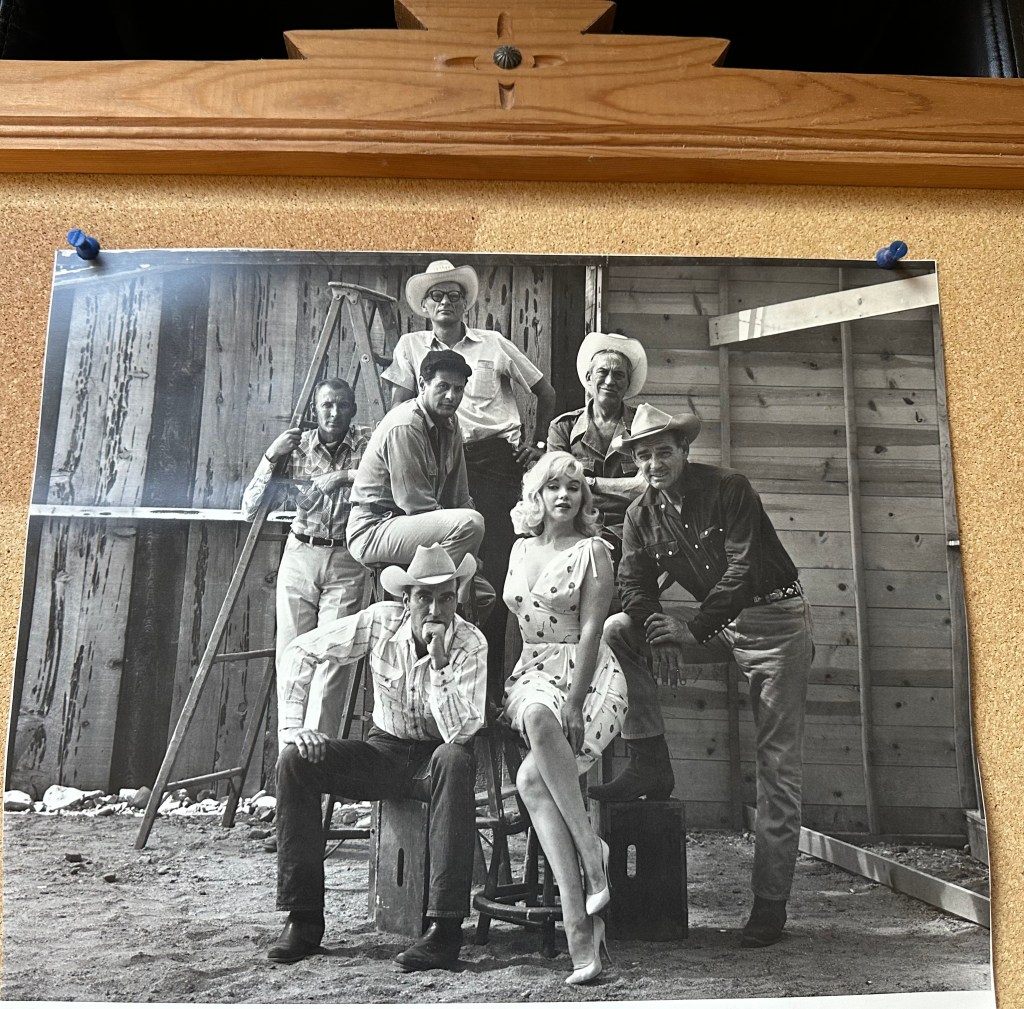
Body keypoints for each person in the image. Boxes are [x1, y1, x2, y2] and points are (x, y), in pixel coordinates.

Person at [590, 404, 814, 949]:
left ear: (685, 451)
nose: (654, 464)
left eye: (663, 452)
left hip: (774, 622)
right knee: (620, 629)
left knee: (776, 766)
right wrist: (658, 631)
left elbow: (742, 569)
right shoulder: (640, 514)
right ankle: (650, 760)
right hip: (716, 625)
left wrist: (689, 630)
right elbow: (635, 583)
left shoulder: (730, 488)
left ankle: (769, 905)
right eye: (644, 456)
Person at [268, 543, 488, 970]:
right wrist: (294, 728)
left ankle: (444, 932)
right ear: (406, 600)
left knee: (455, 759)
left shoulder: (470, 642)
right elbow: (300, 651)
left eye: (446, 597)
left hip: (436, 761)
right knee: (295, 761)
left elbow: (460, 733)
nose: (436, 610)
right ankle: (304, 920)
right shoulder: (380, 622)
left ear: (456, 599)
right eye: (424, 597)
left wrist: (440, 664)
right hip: (384, 751)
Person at [383, 259, 557, 688]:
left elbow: (545, 391)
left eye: (454, 295)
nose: (446, 302)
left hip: (493, 466)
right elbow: (397, 411)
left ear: (466, 304)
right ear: (425, 306)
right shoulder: (410, 346)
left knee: (490, 577)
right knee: (430, 572)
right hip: (433, 464)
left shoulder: (492, 344)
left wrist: (537, 446)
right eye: (437, 295)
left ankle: (487, 690)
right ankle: (426, 684)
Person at [502, 451, 627, 984]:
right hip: (532, 673)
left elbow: (593, 630)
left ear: (583, 498)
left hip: (589, 676)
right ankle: (591, 855)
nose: (564, 496)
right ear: (536, 495)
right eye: (553, 486)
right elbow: (514, 627)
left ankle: (580, 928)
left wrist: (575, 702)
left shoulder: (594, 551)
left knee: (532, 780)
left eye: (573, 488)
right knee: (534, 712)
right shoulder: (519, 548)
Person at [240, 377, 370, 736]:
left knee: (333, 657)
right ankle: (291, 751)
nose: (334, 412)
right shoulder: (296, 448)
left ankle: (318, 754)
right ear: (316, 409)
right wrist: (271, 454)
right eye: (327, 404)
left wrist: (343, 476)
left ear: (353, 410)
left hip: (346, 557)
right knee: (292, 656)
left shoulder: (368, 442)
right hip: (300, 553)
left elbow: (392, 476)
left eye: (342, 405)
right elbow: (249, 509)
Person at [347, 347, 493, 616]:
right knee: (471, 523)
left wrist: (472, 550)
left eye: (458, 389)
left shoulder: (451, 423)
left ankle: (441, 602)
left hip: (411, 528)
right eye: (443, 386)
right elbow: (416, 505)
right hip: (374, 529)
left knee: (484, 595)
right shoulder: (405, 424)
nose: (451, 396)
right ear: (423, 385)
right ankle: (426, 600)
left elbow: (460, 497)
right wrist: (467, 540)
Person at [547, 332, 648, 560]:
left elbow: (645, 488)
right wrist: (624, 489)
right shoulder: (563, 427)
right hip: (577, 528)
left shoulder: (643, 425)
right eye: (603, 372)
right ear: (589, 377)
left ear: (628, 383)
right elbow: (558, 488)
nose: (610, 381)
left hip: (632, 530)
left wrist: (588, 483)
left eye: (619, 375)